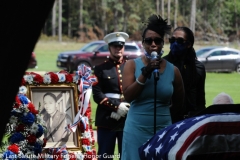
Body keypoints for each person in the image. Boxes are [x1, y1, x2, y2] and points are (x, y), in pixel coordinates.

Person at [121, 14, 185, 160]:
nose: (153, 44)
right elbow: (129, 96)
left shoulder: (173, 70)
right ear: (143, 43)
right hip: (136, 130)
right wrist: (145, 73)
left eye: (157, 40)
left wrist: (165, 116)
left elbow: (179, 103)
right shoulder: (132, 65)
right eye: (149, 40)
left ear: (163, 43)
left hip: (164, 131)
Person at [92, 32, 130, 160]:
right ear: (109, 48)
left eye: (121, 46)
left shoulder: (131, 67)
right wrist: (116, 107)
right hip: (106, 119)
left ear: (124, 47)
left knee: (125, 155)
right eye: (115, 46)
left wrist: (124, 108)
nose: (118, 49)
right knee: (105, 155)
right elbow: (97, 95)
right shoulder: (100, 69)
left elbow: (136, 91)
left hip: (127, 119)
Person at [163, 26, 206, 120]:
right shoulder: (163, 64)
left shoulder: (198, 68)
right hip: (168, 118)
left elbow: (200, 99)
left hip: (191, 119)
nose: (175, 43)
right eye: (172, 40)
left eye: (180, 41)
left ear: (189, 44)